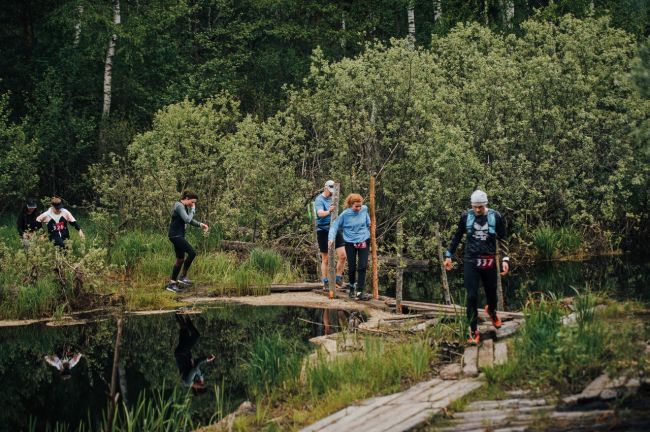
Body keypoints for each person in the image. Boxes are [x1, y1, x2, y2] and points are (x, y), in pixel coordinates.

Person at [443, 190, 510, 345]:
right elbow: (458, 235)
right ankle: (473, 331)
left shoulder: (495, 217)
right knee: (472, 296)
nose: (477, 210)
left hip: (489, 261)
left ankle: (491, 310)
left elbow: (503, 238)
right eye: (475, 207)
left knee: (492, 294)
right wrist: (448, 255)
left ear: (485, 204)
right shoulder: (466, 216)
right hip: (471, 261)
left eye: (480, 207)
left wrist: (505, 259)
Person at [328, 193, 371, 300]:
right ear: (351, 204)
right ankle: (352, 288)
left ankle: (360, 292)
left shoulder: (364, 209)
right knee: (352, 267)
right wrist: (331, 238)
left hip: (363, 239)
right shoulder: (345, 214)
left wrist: (368, 225)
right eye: (356, 206)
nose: (359, 208)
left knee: (362, 266)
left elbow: (367, 222)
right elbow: (335, 226)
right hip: (350, 242)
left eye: (360, 205)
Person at [165, 190, 209, 293]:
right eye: (193, 202)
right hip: (176, 235)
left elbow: (189, 220)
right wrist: (193, 210)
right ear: (187, 199)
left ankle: (172, 284)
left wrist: (200, 224)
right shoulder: (179, 205)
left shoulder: (183, 207)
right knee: (192, 253)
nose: (193, 204)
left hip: (177, 235)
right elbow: (187, 220)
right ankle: (183, 277)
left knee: (180, 259)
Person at [314, 180, 346, 291]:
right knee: (326, 258)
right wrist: (329, 211)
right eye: (330, 190)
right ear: (325, 188)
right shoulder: (319, 199)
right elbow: (320, 213)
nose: (332, 193)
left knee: (343, 255)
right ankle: (326, 282)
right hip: (323, 229)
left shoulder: (334, 197)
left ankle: (337, 278)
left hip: (335, 228)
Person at [174, 314, 215, 393]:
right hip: (185, 353)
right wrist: (206, 359)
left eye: (201, 386)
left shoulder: (187, 383)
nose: (201, 383)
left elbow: (194, 369)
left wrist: (201, 376)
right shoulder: (194, 379)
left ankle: (186, 315)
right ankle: (178, 312)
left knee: (196, 335)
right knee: (183, 329)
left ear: (196, 389)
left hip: (181, 353)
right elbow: (197, 363)